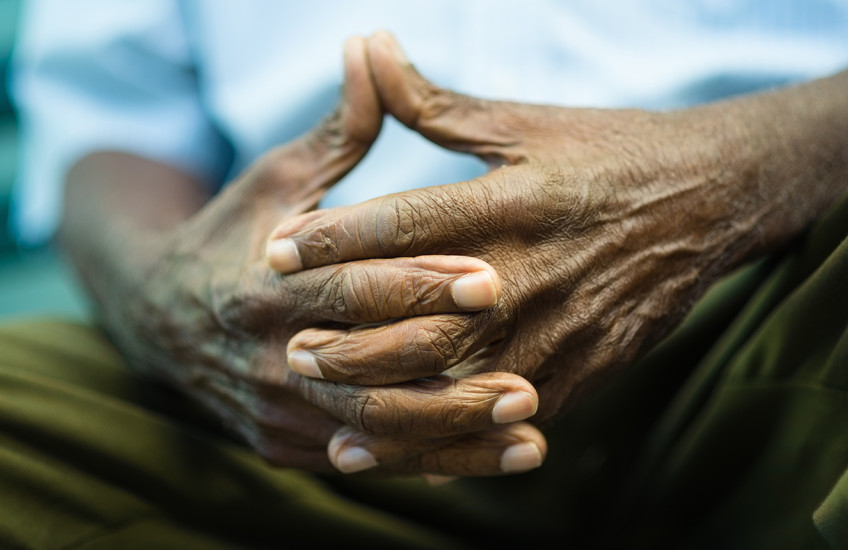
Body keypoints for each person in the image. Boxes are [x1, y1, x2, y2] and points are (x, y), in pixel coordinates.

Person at [3, 1, 848, 548]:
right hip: (298, 391)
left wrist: (737, 176)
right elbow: (109, 117)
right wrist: (163, 292)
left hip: (770, 292)